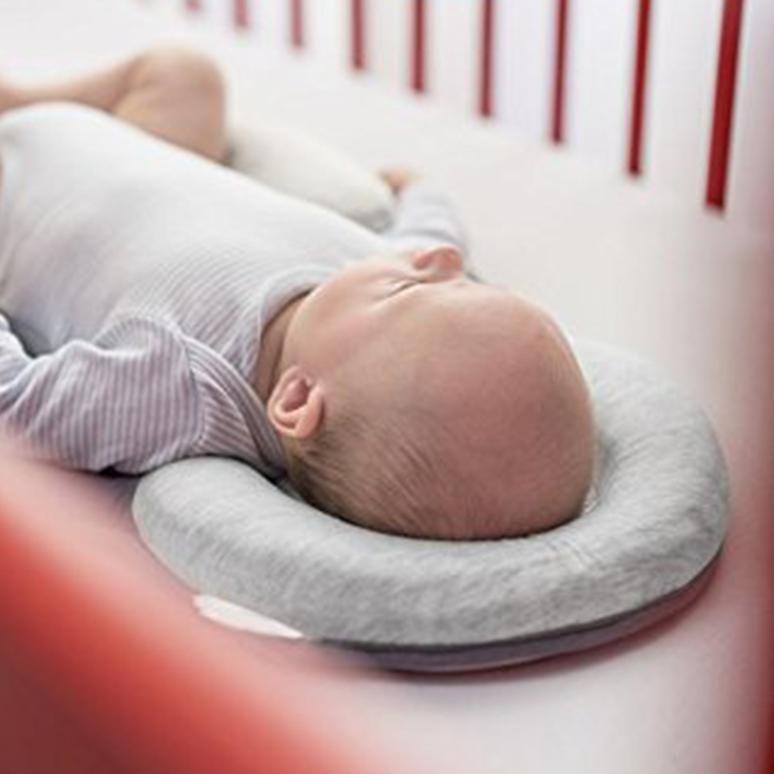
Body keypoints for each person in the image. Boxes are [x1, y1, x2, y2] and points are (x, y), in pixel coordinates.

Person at [0, 47, 594, 540]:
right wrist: (420, 195)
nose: (440, 263)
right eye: (460, 281)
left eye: (408, 290)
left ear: (297, 399)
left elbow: (19, 408)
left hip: (19, 201)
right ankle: (21, 103)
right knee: (186, 75)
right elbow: (429, 242)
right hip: (142, 141)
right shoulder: (368, 287)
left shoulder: (182, 386)